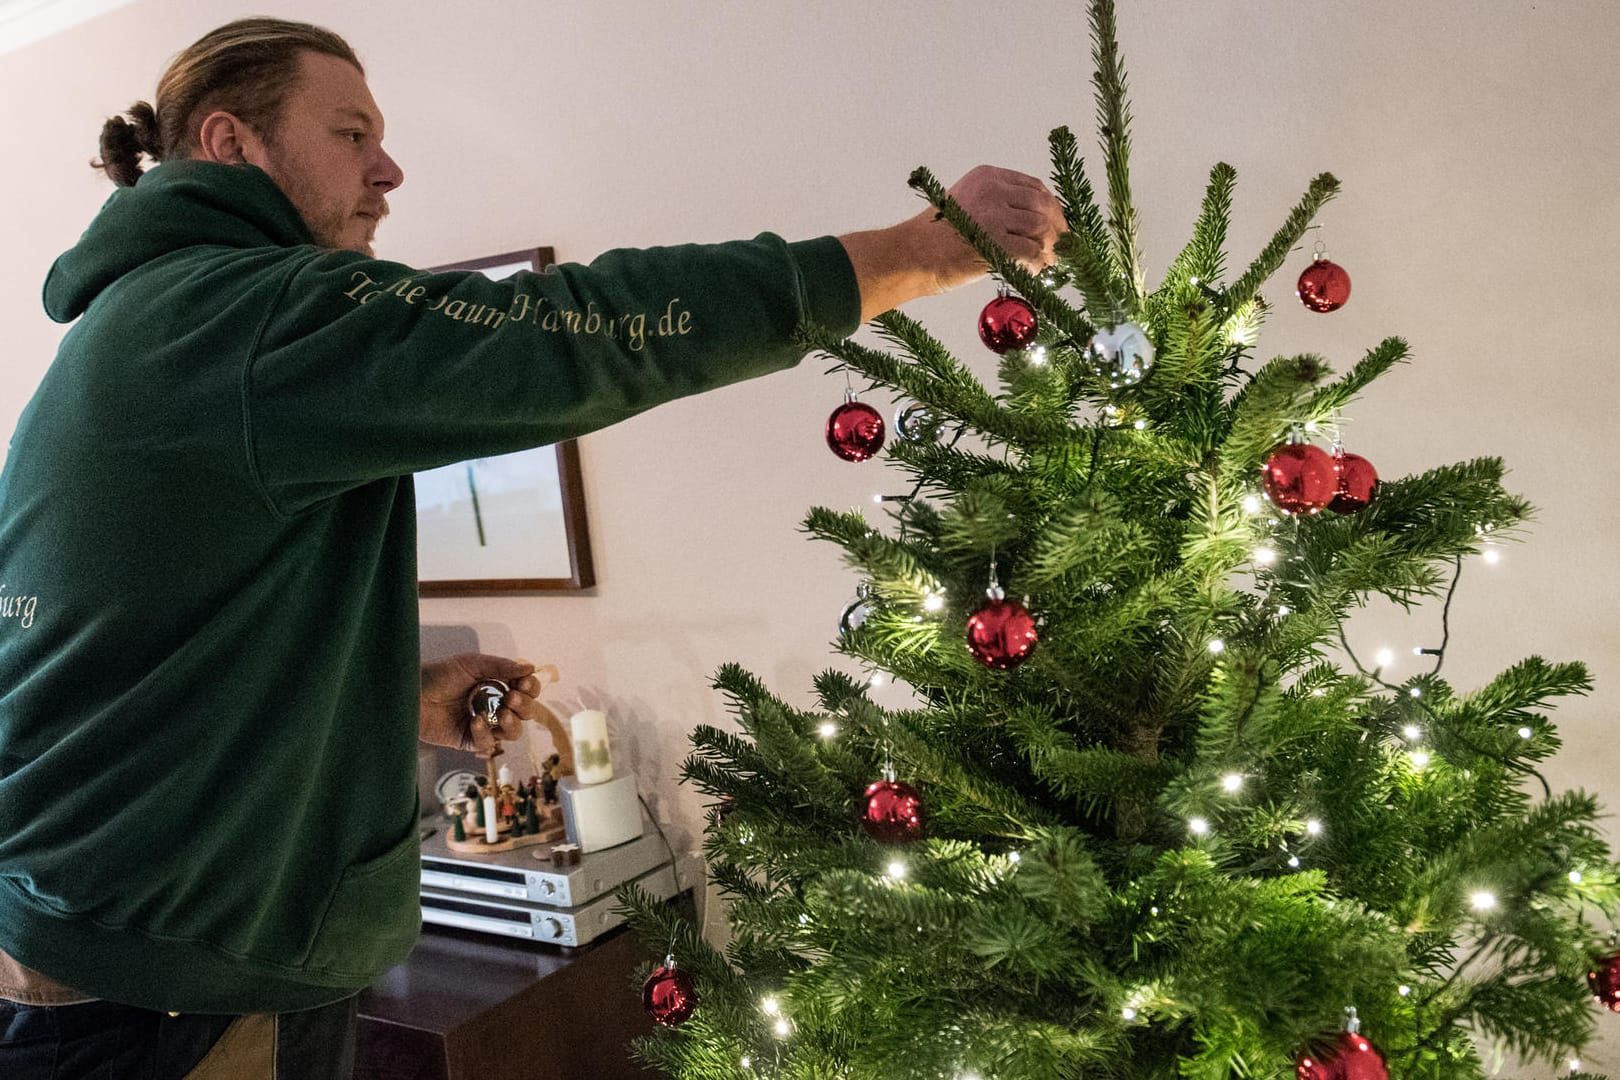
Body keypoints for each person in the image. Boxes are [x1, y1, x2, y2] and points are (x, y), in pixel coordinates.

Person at [0, 16, 1064, 1078]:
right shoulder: (239, 316)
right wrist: (918, 253)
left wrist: (403, 699)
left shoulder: (147, 324)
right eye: (351, 134)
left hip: (102, 949)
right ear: (231, 145)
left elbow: (145, 649)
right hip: (176, 991)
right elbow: (576, 329)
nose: (389, 169)